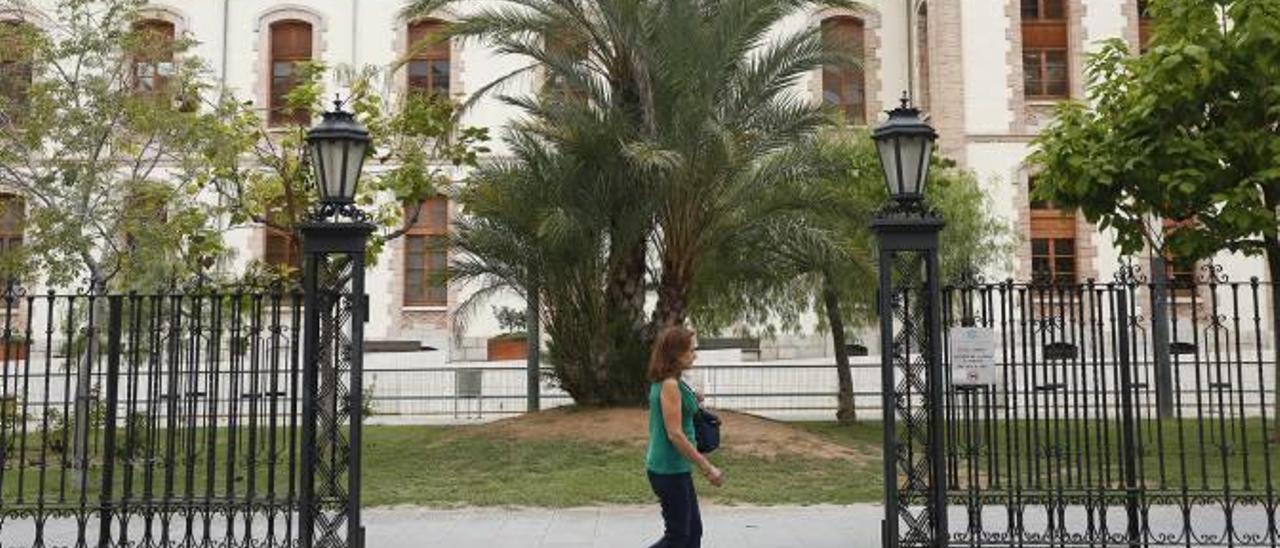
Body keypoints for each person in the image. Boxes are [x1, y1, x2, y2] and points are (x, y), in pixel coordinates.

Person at [645, 325, 724, 548]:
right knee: (678, 536)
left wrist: (694, 397)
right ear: (675, 353)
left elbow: (679, 405)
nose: (695, 354)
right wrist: (707, 468)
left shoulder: (673, 381)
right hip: (667, 469)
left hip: (675, 468)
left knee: (692, 533)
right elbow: (675, 435)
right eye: (691, 350)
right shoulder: (669, 384)